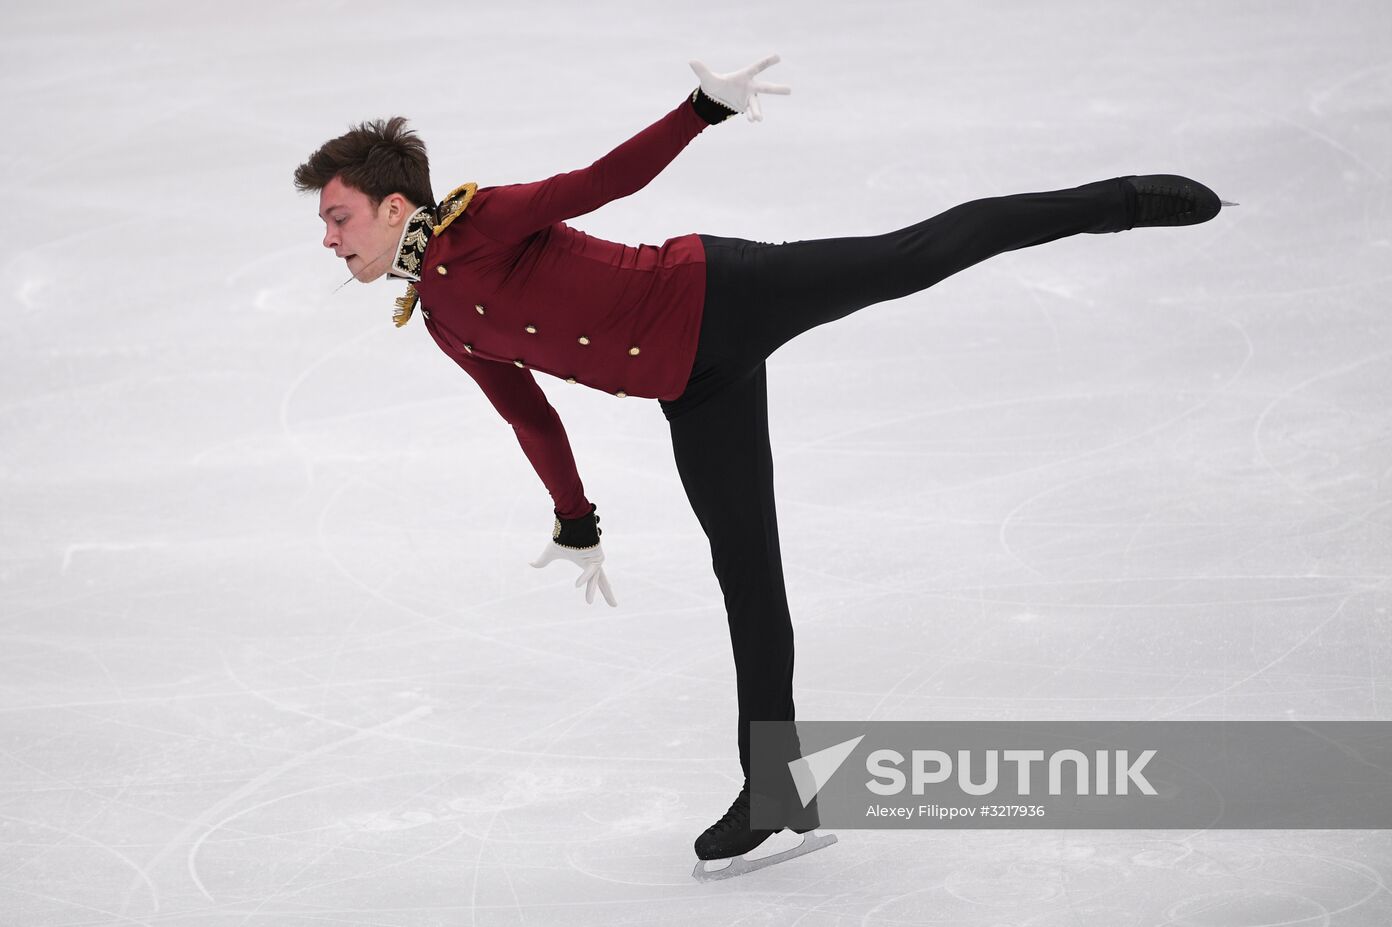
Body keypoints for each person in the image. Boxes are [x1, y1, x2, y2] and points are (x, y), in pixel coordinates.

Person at [293, 54, 1228, 868]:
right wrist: (576, 517)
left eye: (338, 217)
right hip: (695, 389)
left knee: (912, 257)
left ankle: (1118, 201)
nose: (329, 239)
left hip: (726, 292)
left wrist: (700, 111)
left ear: (393, 206)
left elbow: (602, 181)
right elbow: (524, 410)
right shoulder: (441, 314)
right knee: (748, 577)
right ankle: (774, 788)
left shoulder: (486, 220)